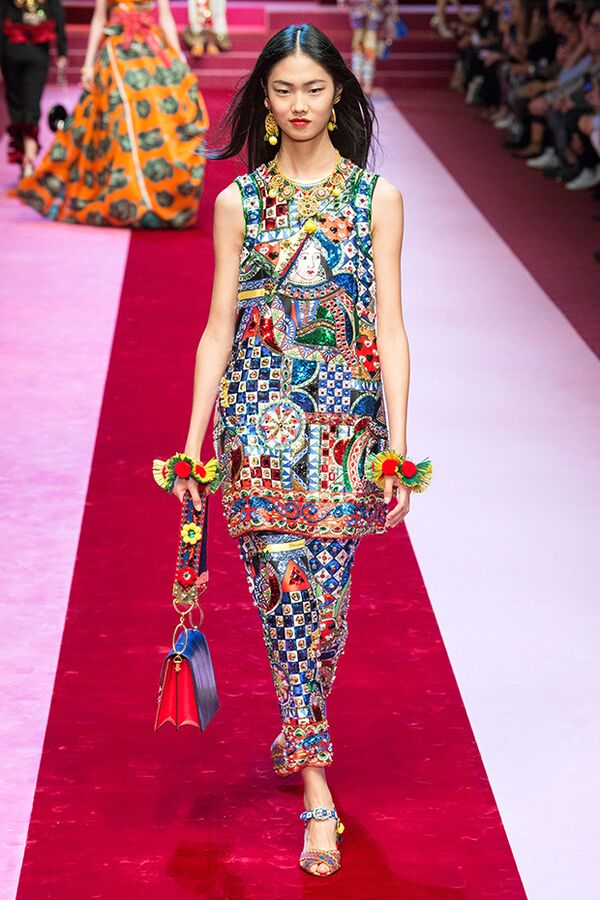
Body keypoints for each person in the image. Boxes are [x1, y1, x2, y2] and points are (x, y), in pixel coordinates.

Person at [163, 23, 431, 878]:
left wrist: (397, 446)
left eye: (314, 89)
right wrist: (193, 446)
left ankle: (302, 722)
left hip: (348, 430)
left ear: (339, 95)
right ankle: (316, 786)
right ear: (265, 101)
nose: (300, 104)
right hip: (256, 428)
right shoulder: (239, 203)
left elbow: (391, 327)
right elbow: (218, 327)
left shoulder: (377, 199)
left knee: (326, 612)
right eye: (283, 90)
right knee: (286, 595)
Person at [16, 0, 209, 228]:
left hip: (152, 49)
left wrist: (178, 57)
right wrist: (88, 65)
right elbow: (99, 17)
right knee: (121, 124)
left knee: (162, 120)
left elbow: (165, 16)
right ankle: (129, 199)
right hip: (118, 53)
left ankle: (156, 197)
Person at [0, 0, 67, 176]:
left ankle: (28, 158)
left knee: (28, 105)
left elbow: (57, 14)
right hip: (14, 52)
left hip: (31, 52)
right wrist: (62, 52)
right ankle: (25, 157)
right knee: (19, 105)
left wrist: (62, 51)